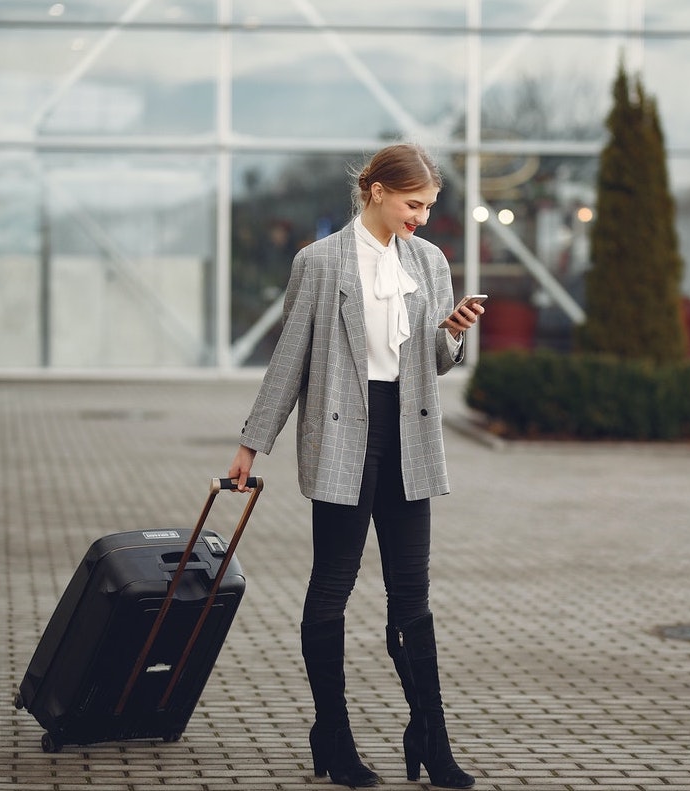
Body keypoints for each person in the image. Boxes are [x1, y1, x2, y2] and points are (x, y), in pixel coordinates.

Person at [228, 143, 484, 789]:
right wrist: (251, 444)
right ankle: (333, 735)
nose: (422, 217)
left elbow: (435, 362)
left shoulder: (428, 261)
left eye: (428, 206)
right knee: (332, 587)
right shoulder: (319, 262)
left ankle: (430, 735)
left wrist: (451, 332)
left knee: (412, 596)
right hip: (344, 431)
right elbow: (288, 360)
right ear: (374, 190)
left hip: (410, 432)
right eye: (412, 203)